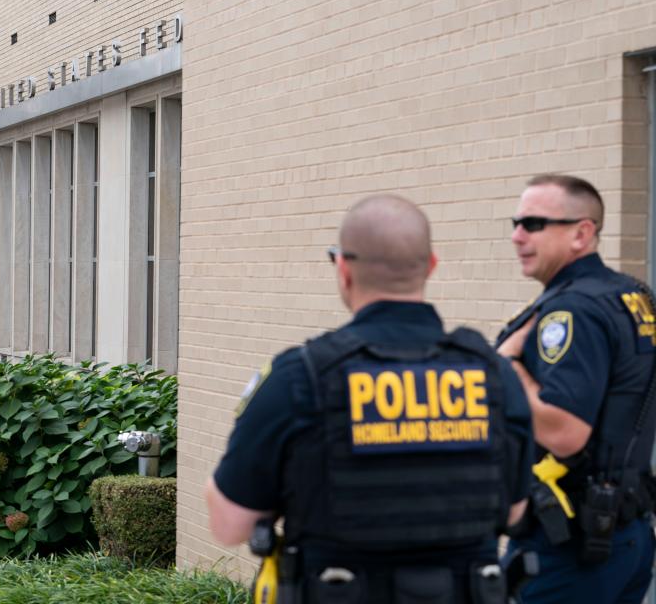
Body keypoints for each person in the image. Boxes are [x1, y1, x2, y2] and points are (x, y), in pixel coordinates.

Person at [207, 194, 534, 604]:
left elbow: (230, 526)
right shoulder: (495, 375)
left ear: (343, 268)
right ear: (431, 265)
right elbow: (515, 513)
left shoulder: (301, 375)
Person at [496, 174, 656, 604]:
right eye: (515, 222)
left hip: (569, 547)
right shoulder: (629, 295)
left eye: (533, 224)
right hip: (622, 534)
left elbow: (565, 432)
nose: (517, 236)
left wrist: (508, 366)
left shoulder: (572, 311)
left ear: (582, 233)